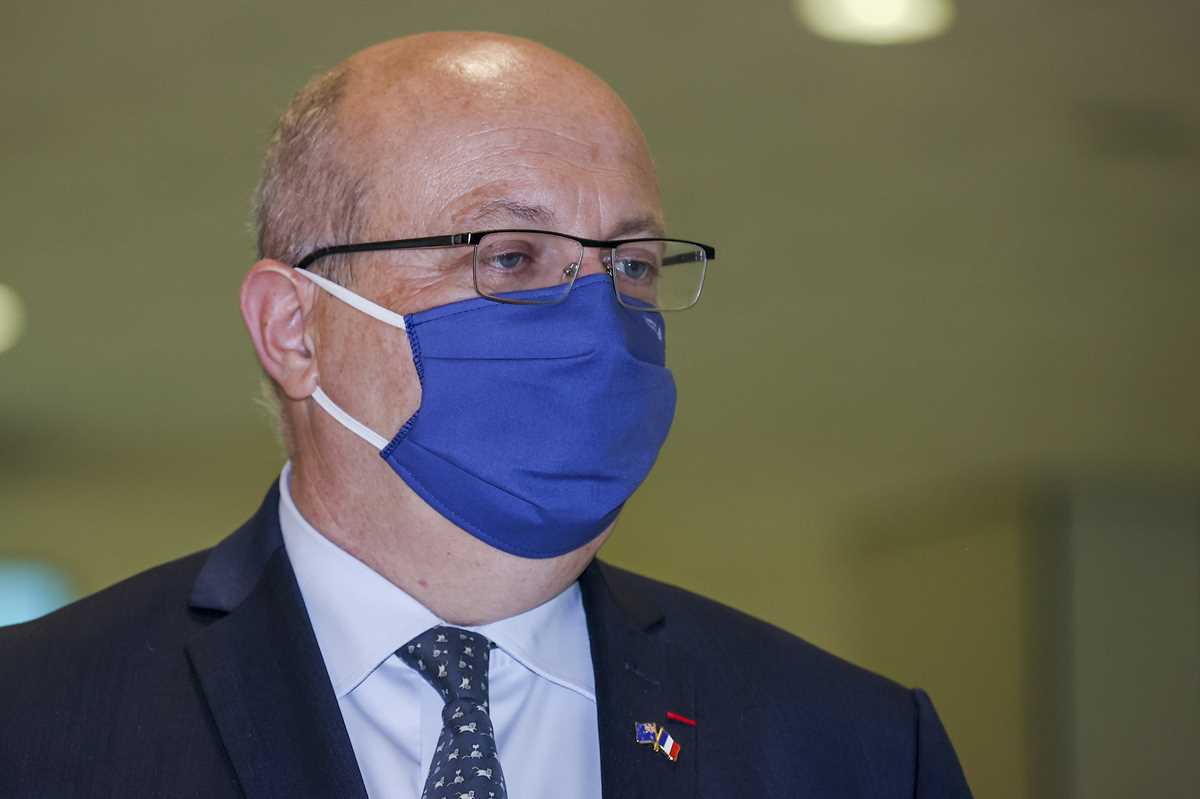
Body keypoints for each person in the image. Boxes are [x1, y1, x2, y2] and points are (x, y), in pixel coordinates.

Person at [0, 32, 972, 798]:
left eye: (632, 266)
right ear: (294, 329)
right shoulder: (36, 723)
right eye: (509, 257)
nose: (596, 323)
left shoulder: (858, 751)